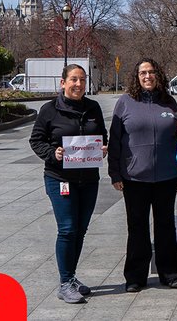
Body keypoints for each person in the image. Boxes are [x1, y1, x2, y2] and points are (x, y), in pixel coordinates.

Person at [29, 64, 108, 304]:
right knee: (67, 229)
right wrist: (54, 154)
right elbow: (36, 140)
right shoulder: (49, 110)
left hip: (89, 180)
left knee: (80, 230)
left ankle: (71, 277)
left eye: (82, 80)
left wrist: (102, 148)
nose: (78, 84)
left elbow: (102, 135)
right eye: (73, 80)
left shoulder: (93, 107)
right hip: (60, 179)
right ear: (62, 83)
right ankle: (65, 283)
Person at [109, 58, 177, 292]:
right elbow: (114, 141)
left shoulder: (169, 102)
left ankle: (170, 273)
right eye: (143, 72)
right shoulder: (125, 103)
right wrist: (115, 173)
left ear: (158, 75)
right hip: (134, 178)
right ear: (137, 76)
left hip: (166, 176)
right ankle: (135, 277)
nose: (148, 76)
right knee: (137, 227)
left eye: (152, 72)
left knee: (166, 226)